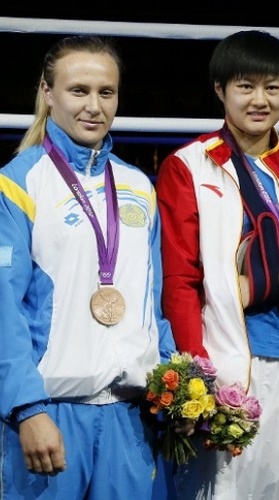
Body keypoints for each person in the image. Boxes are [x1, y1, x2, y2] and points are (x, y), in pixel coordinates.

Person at [155, 30, 279, 499]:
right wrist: (196, 376)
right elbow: (180, 279)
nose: (260, 100)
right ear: (220, 90)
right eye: (245, 86)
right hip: (226, 367)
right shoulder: (189, 165)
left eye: (272, 87)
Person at [0, 35, 176, 499]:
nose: (94, 106)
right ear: (47, 92)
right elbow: (3, 309)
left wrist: (173, 389)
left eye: (106, 92)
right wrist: (26, 408)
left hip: (132, 420)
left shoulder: (139, 186)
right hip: (51, 414)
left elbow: (152, 304)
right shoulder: (17, 184)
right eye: (79, 90)